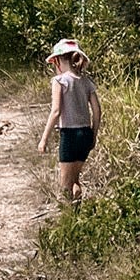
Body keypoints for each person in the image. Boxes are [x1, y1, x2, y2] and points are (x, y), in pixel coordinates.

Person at [38, 37, 101, 202]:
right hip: (86, 134)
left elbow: (56, 111)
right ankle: (77, 213)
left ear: (57, 60)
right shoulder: (86, 81)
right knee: (75, 180)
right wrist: (93, 134)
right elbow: (97, 111)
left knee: (65, 184)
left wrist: (44, 139)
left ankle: (70, 215)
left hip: (69, 135)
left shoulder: (59, 81)